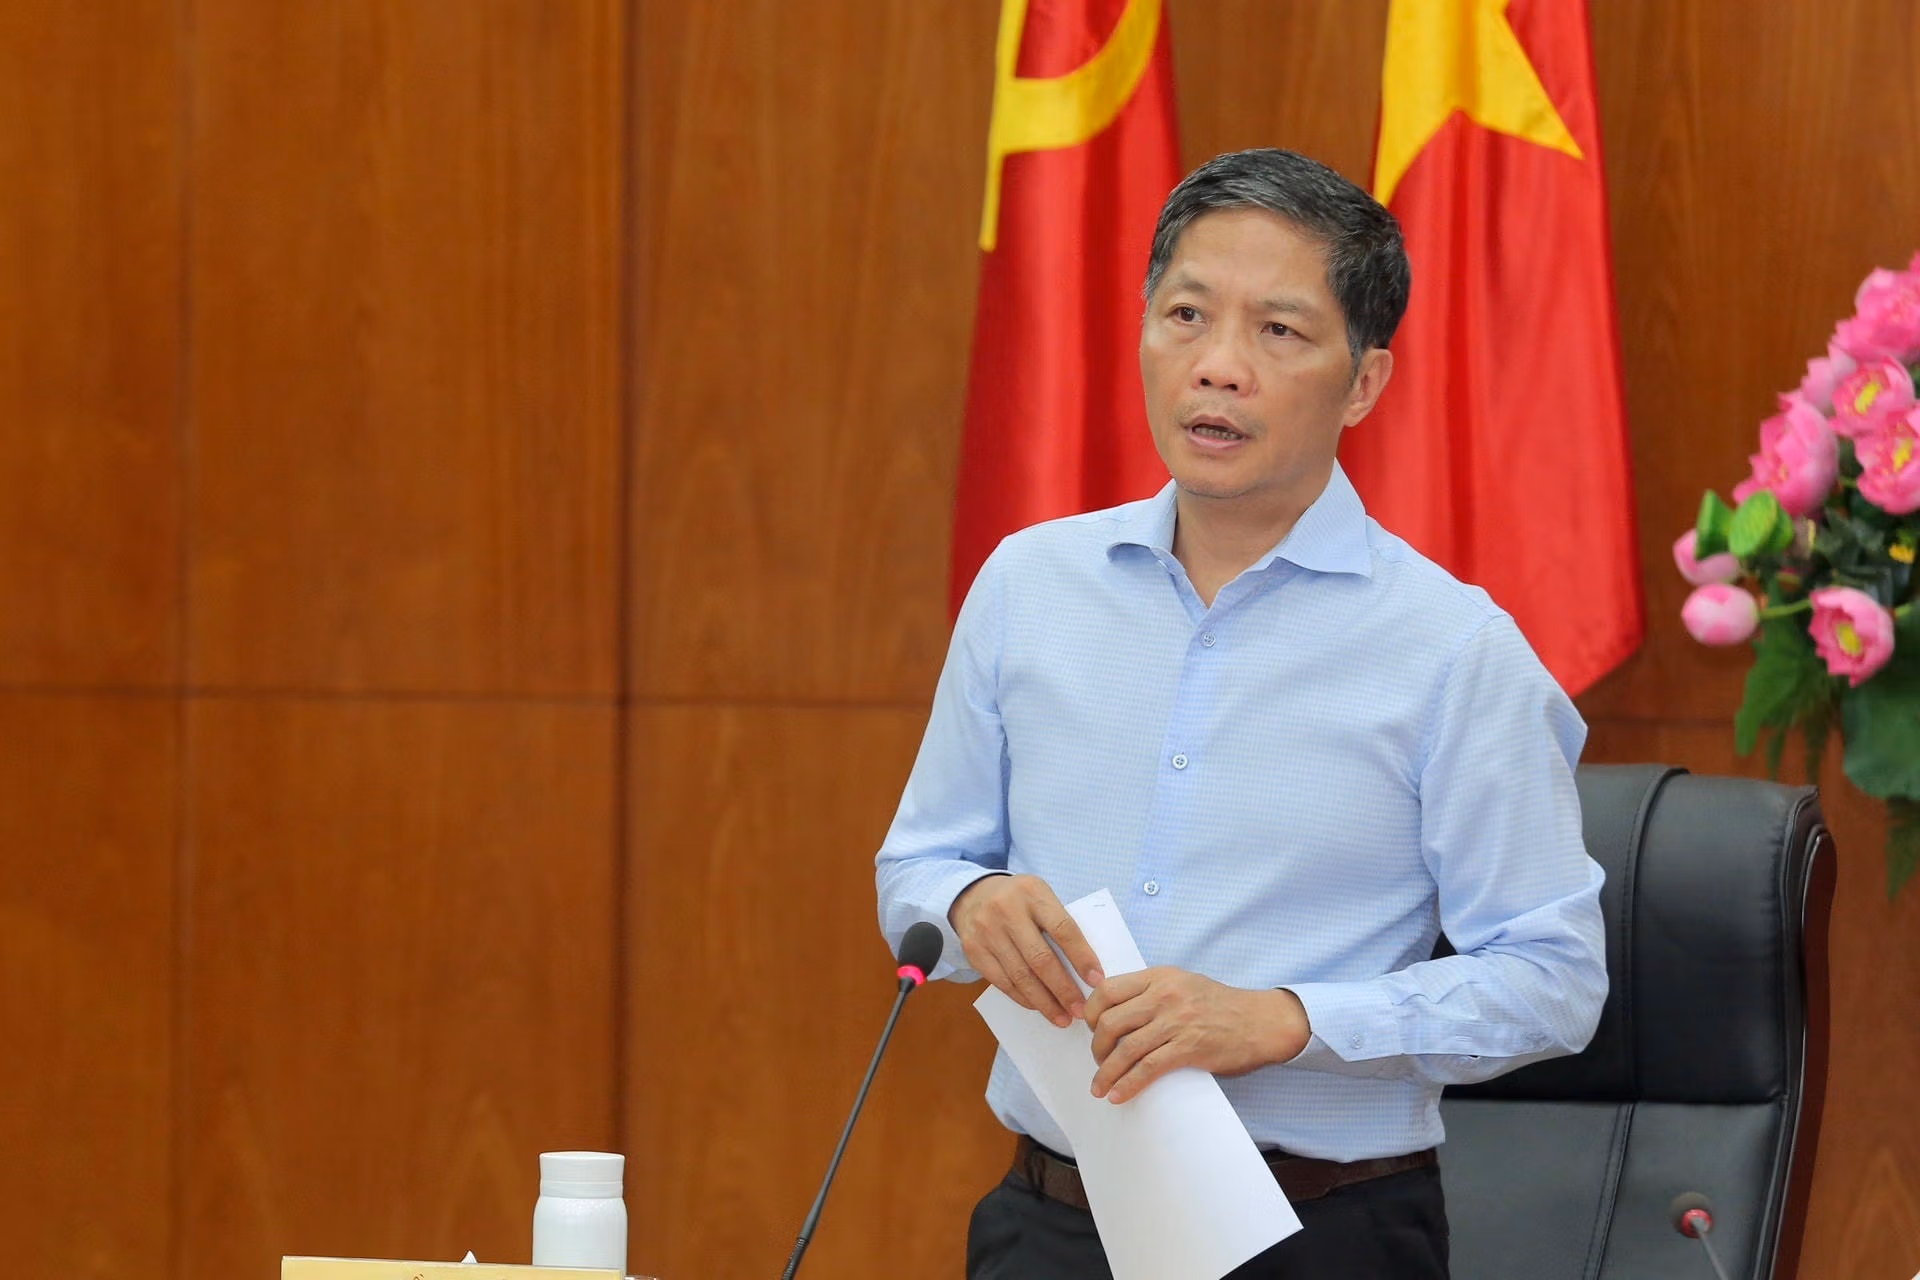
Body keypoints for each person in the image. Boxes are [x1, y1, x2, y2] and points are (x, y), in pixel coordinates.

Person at [874, 148, 1607, 1279]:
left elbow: (1554, 980)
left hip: (1322, 1233)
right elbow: (915, 869)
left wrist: (1287, 1019)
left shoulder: (1453, 651)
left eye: (1278, 331)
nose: (1218, 367)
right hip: (1051, 1222)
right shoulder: (1028, 584)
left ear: (1363, 383)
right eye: (1187, 315)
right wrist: (969, 901)